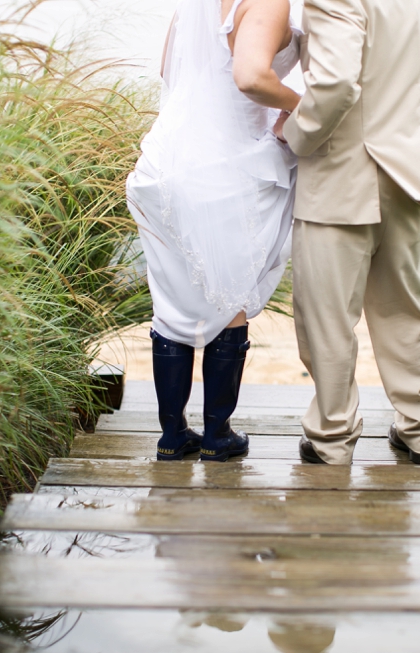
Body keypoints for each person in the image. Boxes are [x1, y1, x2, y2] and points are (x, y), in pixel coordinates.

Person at [273, 0, 420, 465]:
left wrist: (295, 132)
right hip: (407, 170)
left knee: (326, 316)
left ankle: (331, 438)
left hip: (343, 172)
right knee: (403, 308)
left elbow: (334, 83)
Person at [126, 0, 301, 462]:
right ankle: (217, 434)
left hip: (160, 166)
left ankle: (171, 435)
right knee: (231, 297)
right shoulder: (266, 2)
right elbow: (250, 77)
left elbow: (170, 73)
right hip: (222, 168)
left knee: (171, 301)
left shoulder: (191, 7)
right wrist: (303, 107)